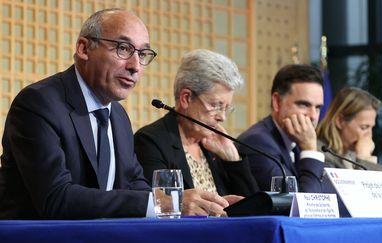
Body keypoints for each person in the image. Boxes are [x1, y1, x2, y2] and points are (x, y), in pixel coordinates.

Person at [0, 8, 229, 219]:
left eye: (142, 54)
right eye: (123, 48)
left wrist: (206, 205)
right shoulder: (38, 103)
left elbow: (135, 186)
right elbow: (56, 198)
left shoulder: (118, 116)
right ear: (84, 48)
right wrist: (167, 203)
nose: (135, 66)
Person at [134, 49, 259, 213]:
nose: (222, 117)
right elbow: (159, 209)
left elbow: (256, 210)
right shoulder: (151, 142)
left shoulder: (215, 145)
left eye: (226, 108)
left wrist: (233, 159)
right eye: (215, 105)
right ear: (186, 98)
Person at [237, 64, 326, 192]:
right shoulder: (257, 143)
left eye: (318, 108)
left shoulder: (295, 142)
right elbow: (303, 206)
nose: (313, 116)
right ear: (277, 102)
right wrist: (310, 149)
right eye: (303, 104)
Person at [316, 86, 382, 171]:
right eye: (364, 127)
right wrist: (364, 158)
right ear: (340, 121)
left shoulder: (351, 155)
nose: (369, 135)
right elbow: (363, 184)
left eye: (371, 128)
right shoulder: (319, 153)